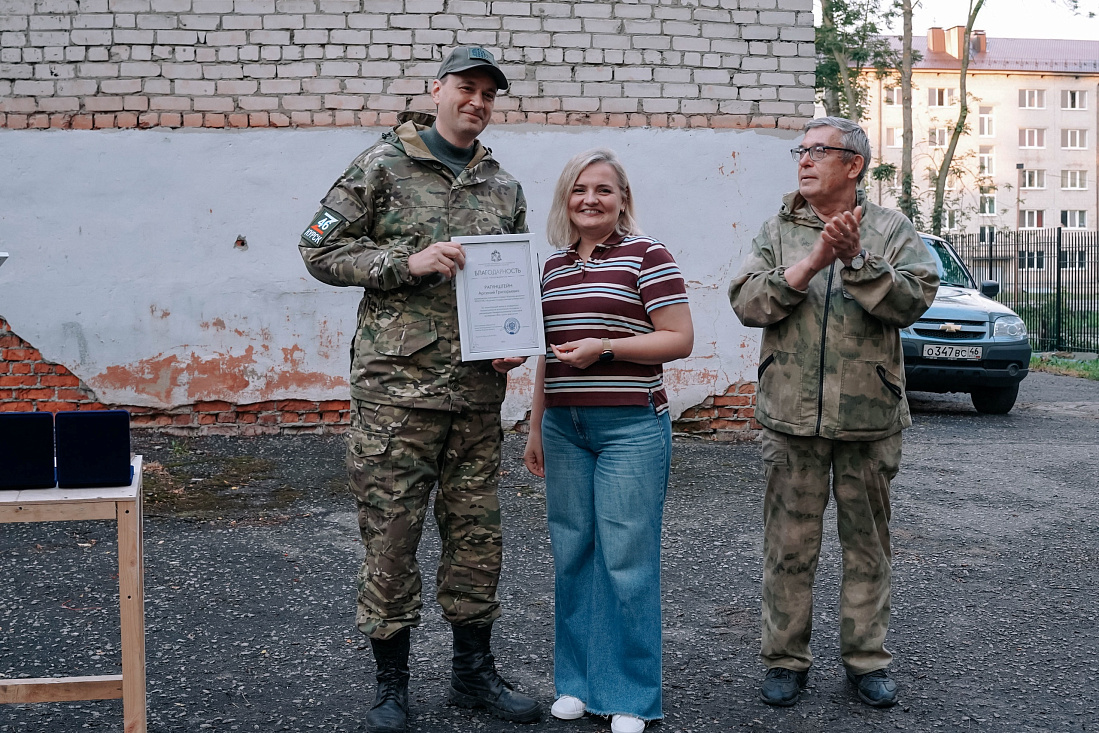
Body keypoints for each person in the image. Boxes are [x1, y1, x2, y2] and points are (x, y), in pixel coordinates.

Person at [298, 47, 541, 733]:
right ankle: (390, 686)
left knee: (477, 541)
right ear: (436, 90)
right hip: (395, 398)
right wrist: (404, 263)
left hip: (475, 397)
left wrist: (514, 338)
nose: (477, 102)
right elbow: (318, 249)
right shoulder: (380, 166)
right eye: (466, 87)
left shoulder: (503, 186)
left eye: (488, 94)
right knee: (391, 542)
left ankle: (473, 675)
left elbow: (511, 280)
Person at [728, 117, 938, 709]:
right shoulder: (777, 230)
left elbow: (914, 301)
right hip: (789, 416)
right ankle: (784, 660)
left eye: (819, 150)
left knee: (867, 546)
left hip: (869, 418)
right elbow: (747, 302)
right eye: (802, 149)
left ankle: (866, 661)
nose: (804, 159)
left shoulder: (891, 230)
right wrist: (815, 260)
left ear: (854, 165)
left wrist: (858, 261)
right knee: (788, 547)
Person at [523, 149, 694, 733]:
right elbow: (547, 356)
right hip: (564, 428)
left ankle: (629, 696)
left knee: (626, 561)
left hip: (631, 426)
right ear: (565, 199)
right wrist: (535, 424)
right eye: (579, 189)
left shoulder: (648, 256)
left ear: (622, 199)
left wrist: (607, 348)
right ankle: (576, 683)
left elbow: (679, 338)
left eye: (603, 189)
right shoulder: (551, 268)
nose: (590, 199)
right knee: (572, 555)